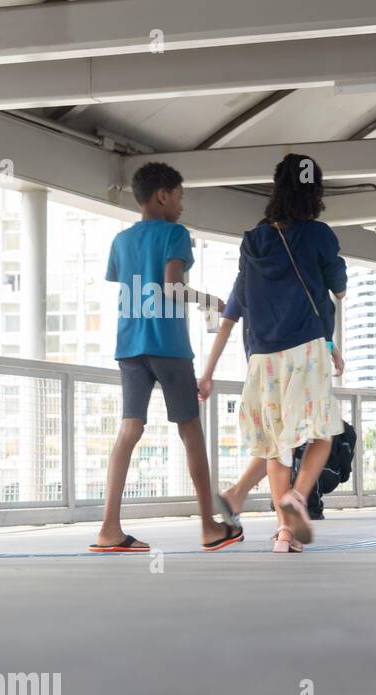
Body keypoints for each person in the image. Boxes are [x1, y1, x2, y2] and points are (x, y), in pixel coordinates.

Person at [89, 161, 241, 554]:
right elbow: (172, 287)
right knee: (191, 433)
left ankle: (109, 529)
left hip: (129, 348)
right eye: (179, 196)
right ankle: (209, 526)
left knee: (129, 430)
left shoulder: (121, 242)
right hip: (168, 346)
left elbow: (132, 285)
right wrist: (212, 302)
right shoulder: (175, 234)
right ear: (162, 195)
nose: (181, 205)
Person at [203, 153, 348, 553]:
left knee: (274, 446)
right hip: (305, 348)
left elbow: (237, 305)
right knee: (323, 434)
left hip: (263, 358)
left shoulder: (253, 240)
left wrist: (209, 369)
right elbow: (337, 284)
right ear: (315, 191)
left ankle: (284, 533)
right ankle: (297, 498)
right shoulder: (319, 234)